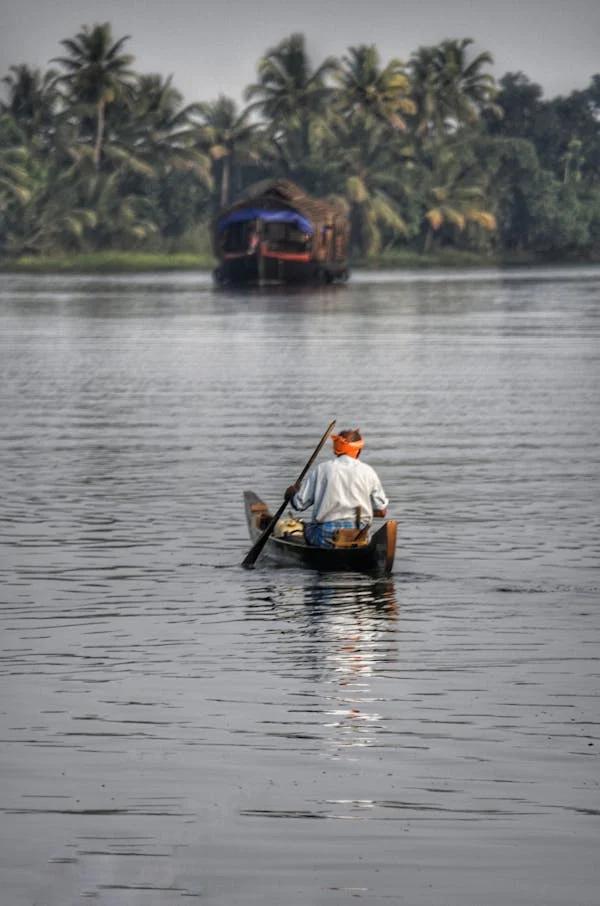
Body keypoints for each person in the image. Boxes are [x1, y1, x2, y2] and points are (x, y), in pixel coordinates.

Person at [285, 428, 389, 548]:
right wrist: (358, 512)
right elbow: (382, 511)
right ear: (358, 450)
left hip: (325, 537)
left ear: (336, 450)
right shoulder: (368, 471)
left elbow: (299, 504)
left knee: (303, 527)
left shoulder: (322, 469)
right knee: (365, 535)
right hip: (358, 536)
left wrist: (291, 494)